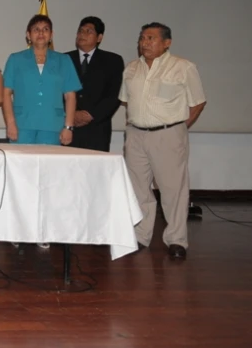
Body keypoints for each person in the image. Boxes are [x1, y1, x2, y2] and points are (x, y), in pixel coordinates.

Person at [120, 22, 206, 259]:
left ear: (167, 43)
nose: (144, 42)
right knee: (138, 189)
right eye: (142, 38)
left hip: (168, 135)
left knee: (172, 191)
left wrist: (178, 128)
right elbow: (127, 101)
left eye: (150, 38)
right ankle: (140, 235)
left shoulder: (183, 67)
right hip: (136, 135)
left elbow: (198, 102)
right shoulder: (131, 69)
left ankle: (176, 240)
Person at [2, 15, 81, 146]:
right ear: (28, 35)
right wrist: (10, 123)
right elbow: (5, 93)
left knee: (48, 165)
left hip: (52, 125)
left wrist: (68, 127)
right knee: (21, 165)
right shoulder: (15, 59)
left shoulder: (64, 60)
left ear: (51, 34)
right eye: (36, 29)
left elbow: (70, 97)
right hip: (22, 125)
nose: (41, 33)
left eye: (45, 29)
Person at [65, 16, 125, 152]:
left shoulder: (112, 61)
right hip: (68, 127)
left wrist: (90, 115)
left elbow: (114, 95)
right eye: (80, 31)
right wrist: (70, 114)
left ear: (99, 38)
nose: (82, 34)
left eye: (88, 31)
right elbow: (55, 92)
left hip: (97, 129)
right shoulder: (64, 59)